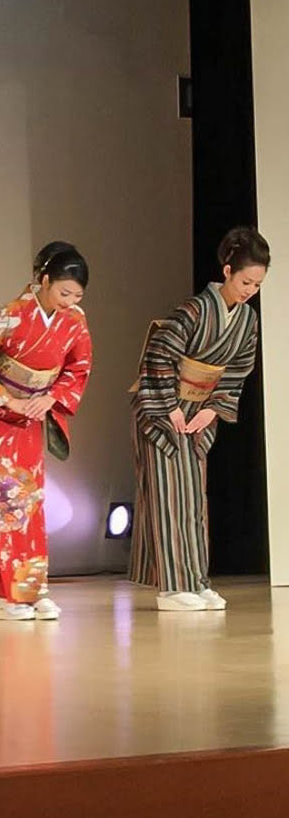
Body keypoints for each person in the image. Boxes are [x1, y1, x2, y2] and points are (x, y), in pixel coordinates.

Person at [129, 226, 268, 611]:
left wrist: (211, 409)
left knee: (193, 500)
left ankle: (197, 580)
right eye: (245, 281)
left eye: (256, 285)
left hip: (199, 412)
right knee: (168, 497)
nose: (249, 291)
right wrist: (170, 406)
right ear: (226, 271)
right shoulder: (193, 311)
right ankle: (172, 588)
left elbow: (239, 369)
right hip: (163, 410)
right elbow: (157, 355)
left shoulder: (245, 322)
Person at [0, 243, 93, 621]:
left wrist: (50, 399)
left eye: (77, 296)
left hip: (33, 416)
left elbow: (78, 368)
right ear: (44, 280)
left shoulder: (75, 321)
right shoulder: (7, 317)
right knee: (6, 502)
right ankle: (14, 594)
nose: (69, 302)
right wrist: (11, 402)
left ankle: (34, 588)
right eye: (63, 292)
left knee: (29, 505)